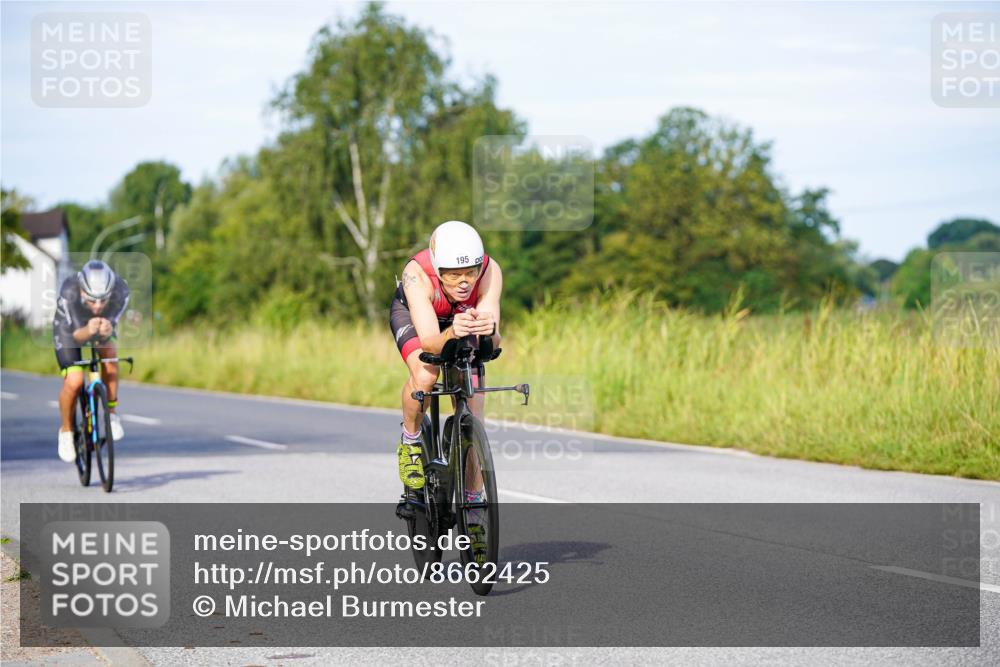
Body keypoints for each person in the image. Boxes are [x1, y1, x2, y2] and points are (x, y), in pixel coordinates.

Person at [389, 220, 502, 498]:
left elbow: (495, 341)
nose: (464, 283)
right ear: (438, 270)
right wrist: (452, 331)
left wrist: (488, 331)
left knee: (474, 407)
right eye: (453, 275)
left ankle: (473, 501)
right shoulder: (416, 275)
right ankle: (411, 440)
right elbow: (429, 341)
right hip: (419, 318)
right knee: (426, 374)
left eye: (470, 273)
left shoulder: (490, 271)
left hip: (461, 321)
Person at [54, 260, 130, 463]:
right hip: (69, 329)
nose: (97, 306)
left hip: (98, 327)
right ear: (82, 291)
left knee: (110, 354)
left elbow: (110, 324)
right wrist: (90, 330)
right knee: (75, 381)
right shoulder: (69, 291)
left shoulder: (121, 291)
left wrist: (105, 329)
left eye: (103, 300)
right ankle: (66, 431)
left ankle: (111, 414)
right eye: (92, 300)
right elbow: (78, 336)